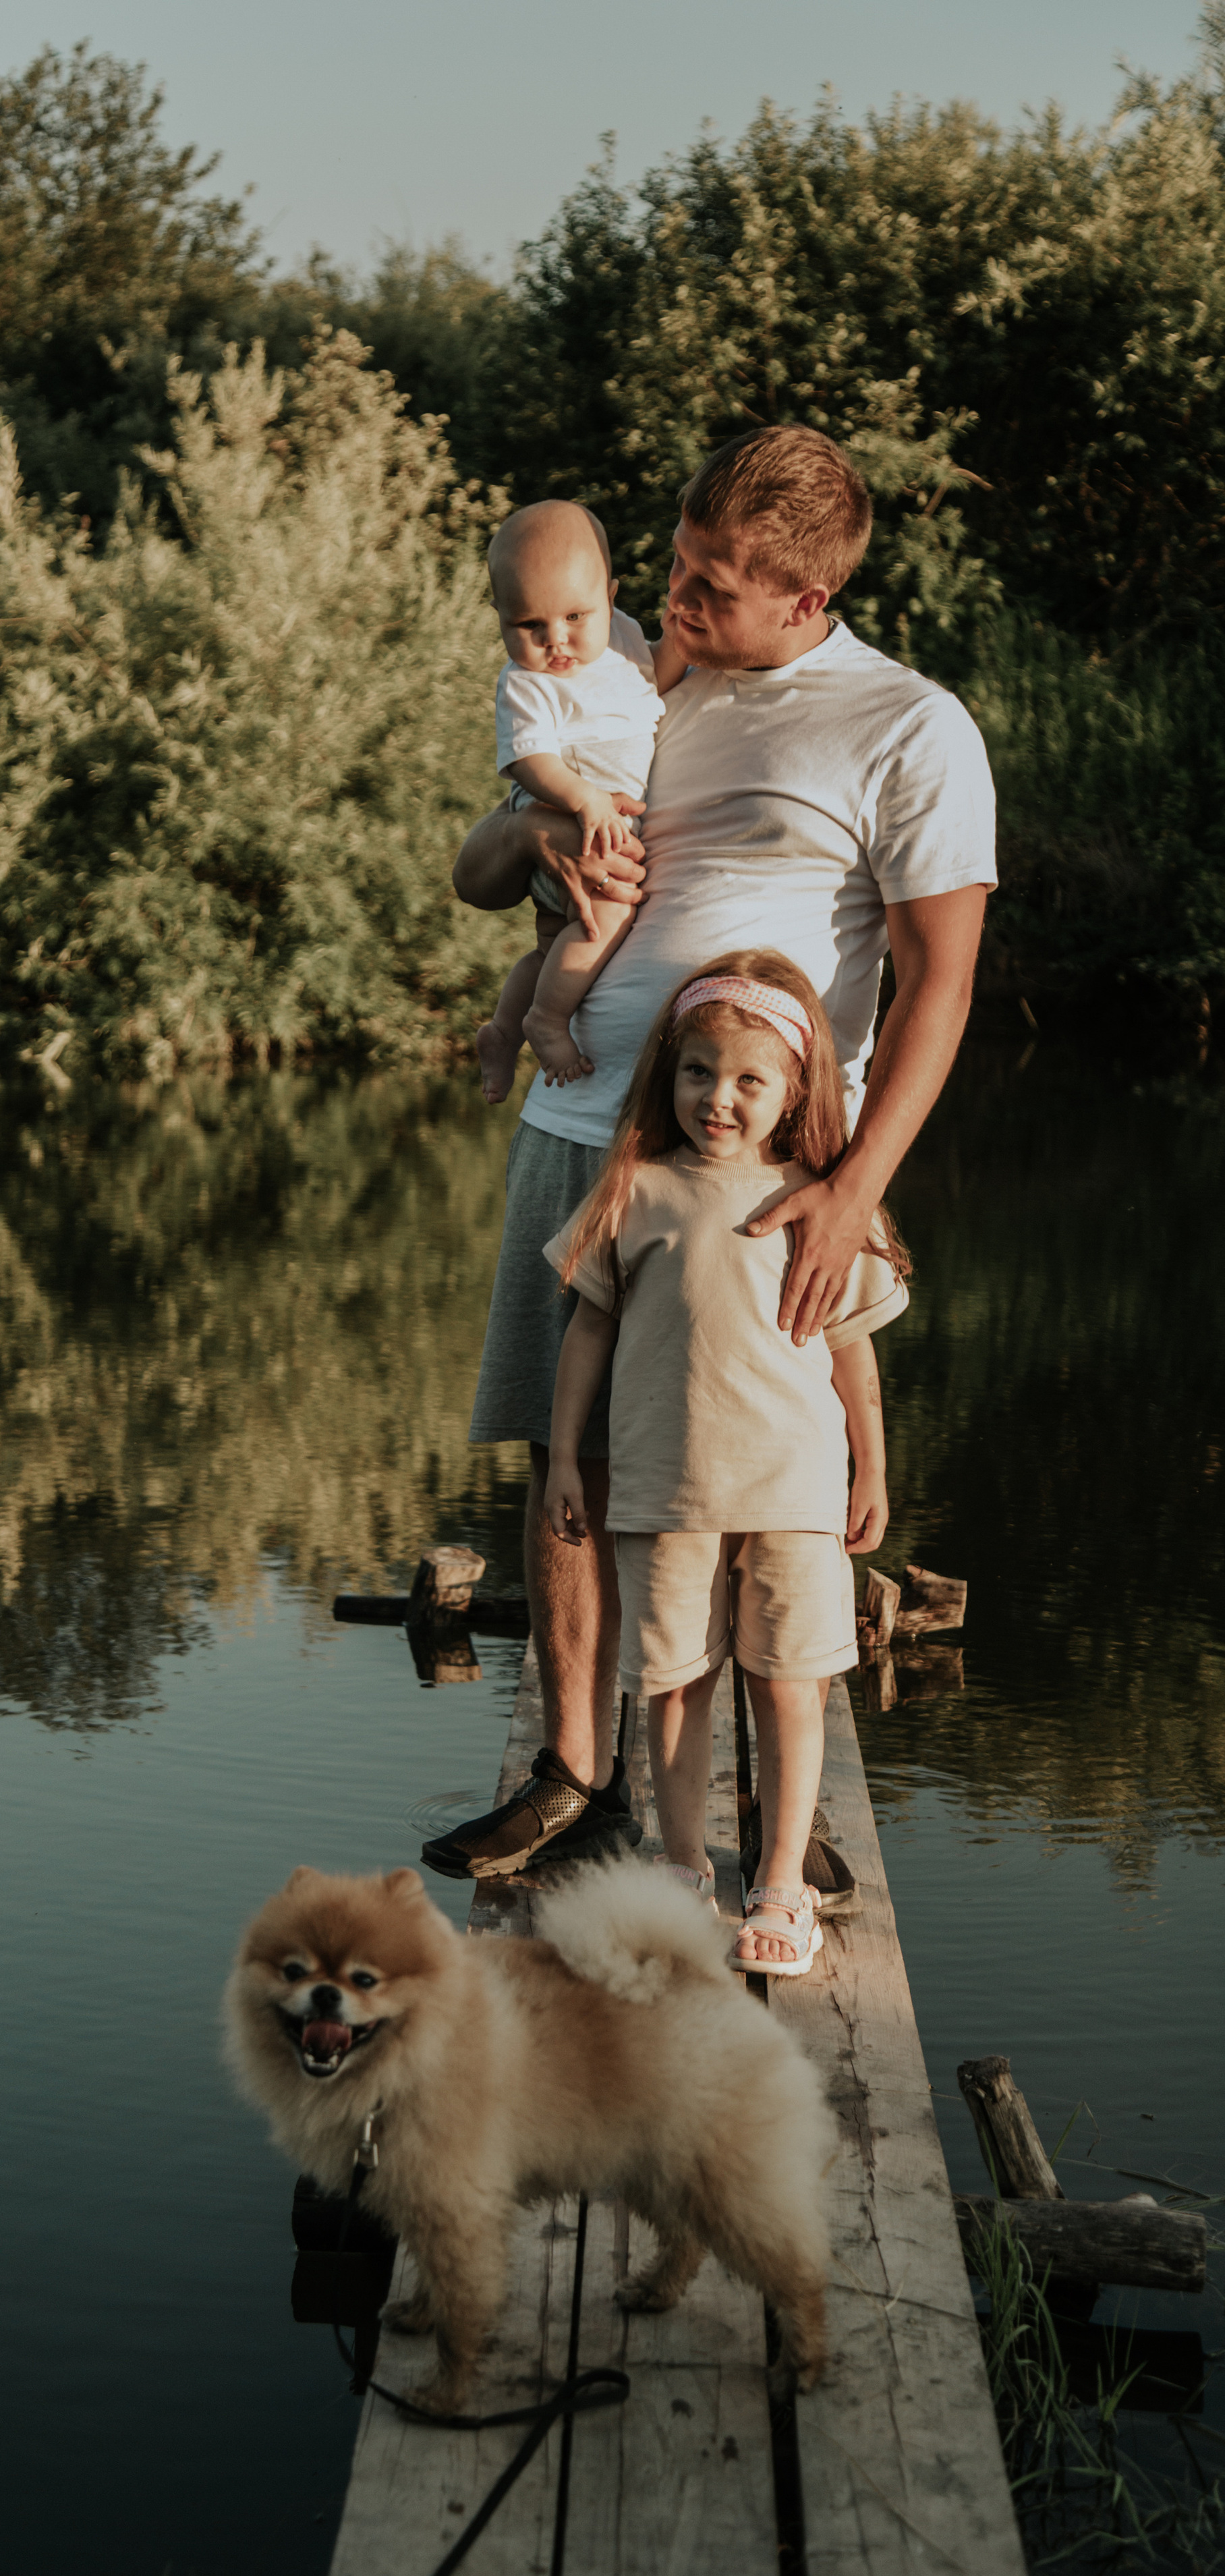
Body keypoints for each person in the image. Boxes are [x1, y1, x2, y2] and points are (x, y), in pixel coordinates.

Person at [422, 426, 996, 1942]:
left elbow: (939, 986)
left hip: (762, 1173)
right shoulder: (619, 676)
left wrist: (855, 1181)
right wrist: (542, 818)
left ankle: (767, 1829)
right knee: (568, 1466)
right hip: (581, 1132)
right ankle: (571, 1774)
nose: (669, 601)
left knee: (752, 1485)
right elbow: (481, 875)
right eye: (673, 565)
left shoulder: (904, 727)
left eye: (712, 589)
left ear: (805, 598)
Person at [542, 953, 907, 1973]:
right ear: (670, 1074)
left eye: (750, 1080)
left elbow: (853, 1354)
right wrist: (568, 1458)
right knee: (673, 1681)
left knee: (790, 1684)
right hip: (665, 1490)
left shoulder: (828, 1201)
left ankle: (782, 1882)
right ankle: (680, 1866)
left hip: (793, 1489)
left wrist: (870, 1470)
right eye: (699, 1071)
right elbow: (586, 1334)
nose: (719, 1098)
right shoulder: (637, 1189)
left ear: (795, 1091)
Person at [475, 501, 687, 1102]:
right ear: (501, 619)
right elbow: (527, 760)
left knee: (551, 944)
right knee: (610, 914)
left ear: (611, 596)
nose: (556, 641)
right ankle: (547, 1020)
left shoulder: (618, 637)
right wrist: (583, 799)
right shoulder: (527, 683)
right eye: (529, 627)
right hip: (569, 824)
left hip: (596, 827)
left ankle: (502, 1031)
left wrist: (677, 643)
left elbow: (651, 682)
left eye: (574, 617)